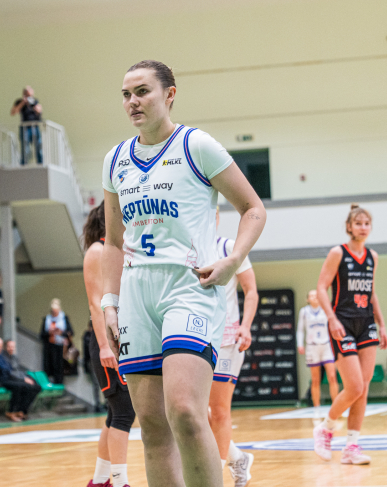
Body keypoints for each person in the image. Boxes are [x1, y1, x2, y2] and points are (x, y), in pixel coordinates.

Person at [101, 60, 265, 487]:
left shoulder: (197, 146)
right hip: (136, 295)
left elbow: (253, 208)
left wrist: (233, 259)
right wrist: (109, 303)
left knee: (186, 412)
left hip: (189, 288)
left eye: (142, 91)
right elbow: (113, 243)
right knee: (153, 427)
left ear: (169, 94)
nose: (132, 102)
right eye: (126, 94)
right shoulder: (115, 160)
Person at [313, 204, 387, 465]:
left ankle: (351, 446)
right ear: (349, 227)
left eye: (367, 223)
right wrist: (331, 318)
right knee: (354, 385)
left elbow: (372, 292)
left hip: (366, 322)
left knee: (363, 388)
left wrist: (382, 324)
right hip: (342, 322)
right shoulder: (338, 253)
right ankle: (325, 428)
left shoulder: (372, 256)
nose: (363, 227)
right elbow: (321, 288)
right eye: (358, 223)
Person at [82, 202, 136, 487]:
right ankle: (119, 481)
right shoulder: (96, 250)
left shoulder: (120, 249)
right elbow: (95, 304)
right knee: (124, 411)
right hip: (106, 342)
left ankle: (101, 480)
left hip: (122, 338)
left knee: (115, 413)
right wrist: (105, 346)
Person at [208, 223, 258, 487]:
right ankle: (238, 457)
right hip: (193, 337)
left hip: (227, 340)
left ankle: (214, 477)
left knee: (218, 412)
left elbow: (251, 291)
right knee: (195, 412)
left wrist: (246, 326)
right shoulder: (183, 248)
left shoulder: (228, 247)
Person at [297, 290, 339, 417]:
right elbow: (300, 330)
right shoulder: (304, 311)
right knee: (315, 379)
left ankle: (336, 405)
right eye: (312, 296)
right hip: (312, 346)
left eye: (316, 295)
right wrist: (300, 344)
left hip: (326, 345)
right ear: (307, 299)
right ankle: (316, 407)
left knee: (332, 376)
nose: (314, 297)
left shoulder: (326, 309)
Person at [0, 337, 41, 422]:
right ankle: (11, 411)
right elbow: (5, 368)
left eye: (0, 346)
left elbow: (9, 369)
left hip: (6, 379)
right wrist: (21, 378)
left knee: (27, 386)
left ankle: (20, 410)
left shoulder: (1, 356)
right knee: (18, 386)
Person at [41, 298, 73, 385]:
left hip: (61, 348)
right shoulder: (47, 319)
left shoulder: (64, 318)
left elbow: (71, 332)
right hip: (49, 348)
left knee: (59, 368)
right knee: (49, 367)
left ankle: (59, 384)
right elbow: (42, 335)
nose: (54, 314)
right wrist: (49, 332)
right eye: (53, 312)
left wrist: (61, 332)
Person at [11, 86, 43, 165]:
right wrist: (23, 103)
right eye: (27, 95)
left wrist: (37, 109)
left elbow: (40, 112)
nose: (29, 97)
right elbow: (13, 112)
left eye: (30, 95)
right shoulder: (19, 102)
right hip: (25, 128)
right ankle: (24, 164)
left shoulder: (35, 102)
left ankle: (40, 164)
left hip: (35, 127)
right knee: (25, 148)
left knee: (38, 147)